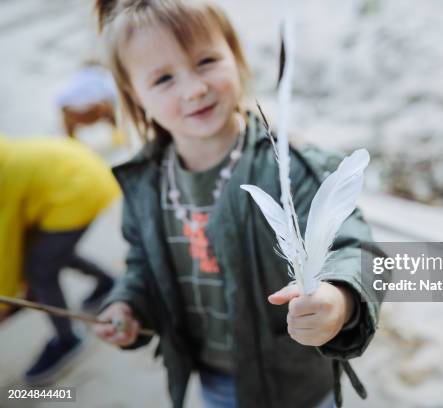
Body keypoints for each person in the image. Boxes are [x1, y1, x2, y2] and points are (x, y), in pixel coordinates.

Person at [92, 1, 386, 407]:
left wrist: (338, 299)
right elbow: (143, 262)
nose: (194, 89)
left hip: (296, 382)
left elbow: (357, 249)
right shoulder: (146, 182)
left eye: (206, 61)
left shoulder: (289, 167)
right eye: (163, 79)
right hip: (212, 380)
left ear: (236, 56)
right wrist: (129, 305)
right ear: (134, 96)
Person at [0, 135, 120, 384]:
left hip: (77, 188)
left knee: (40, 269)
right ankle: (107, 282)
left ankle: (68, 339)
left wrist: (5, 303)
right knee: (49, 251)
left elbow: (7, 246)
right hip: (77, 170)